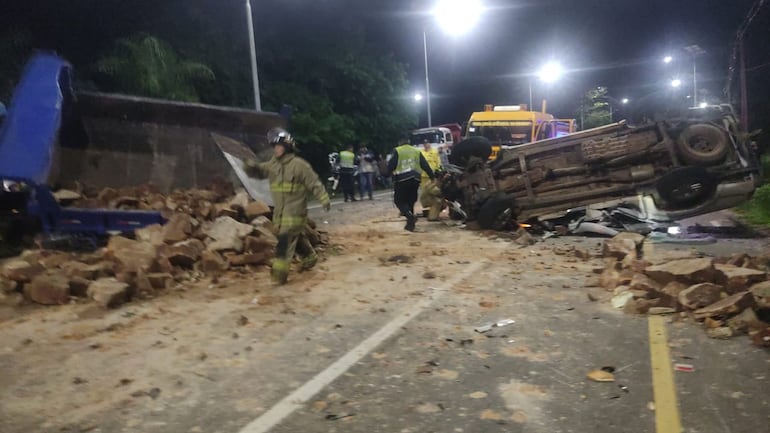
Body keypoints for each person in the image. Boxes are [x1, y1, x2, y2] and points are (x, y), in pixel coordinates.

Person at [244, 127, 331, 285]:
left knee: (284, 240)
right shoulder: (273, 165)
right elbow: (260, 171)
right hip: (280, 214)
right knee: (290, 236)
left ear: (287, 145)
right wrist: (249, 166)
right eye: (274, 147)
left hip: (296, 213)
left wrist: (324, 198)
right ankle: (309, 256)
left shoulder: (299, 165)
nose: (275, 150)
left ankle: (279, 275)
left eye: (278, 146)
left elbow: (314, 183)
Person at [387, 140, 434, 231]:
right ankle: (410, 225)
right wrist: (432, 176)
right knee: (410, 201)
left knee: (398, 201)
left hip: (402, 179)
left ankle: (409, 216)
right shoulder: (416, 150)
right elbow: (424, 164)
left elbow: (391, 165)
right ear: (408, 141)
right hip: (416, 179)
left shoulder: (398, 150)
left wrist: (387, 174)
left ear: (400, 142)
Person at [419, 139, 442, 217]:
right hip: (423, 176)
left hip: (432, 176)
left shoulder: (434, 152)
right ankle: (429, 208)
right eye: (424, 143)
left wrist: (438, 172)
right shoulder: (421, 152)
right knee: (425, 193)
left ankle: (434, 209)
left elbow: (438, 163)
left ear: (430, 144)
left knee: (434, 192)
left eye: (427, 143)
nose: (426, 145)